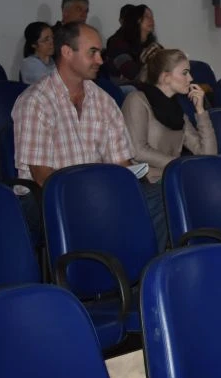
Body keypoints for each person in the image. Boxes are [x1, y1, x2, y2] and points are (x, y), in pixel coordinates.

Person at [11, 23, 143, 244]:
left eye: (100, 53)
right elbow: (42, 175)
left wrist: (123, 186)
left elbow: (121, 162)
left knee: (157, 199)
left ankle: (143, 262)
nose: (100, 60)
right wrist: (89, 195)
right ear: (66, 52)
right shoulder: (36, 101)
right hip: (48, 197)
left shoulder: (103, 100)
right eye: (92, 52)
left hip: (98, 191)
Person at [121, 49, 217, 247]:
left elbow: (208, 154)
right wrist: (179, 166)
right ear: (165, 77)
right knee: (175, 193)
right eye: (185, 73)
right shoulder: (137, 100)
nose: (190, 79)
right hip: (146, 182)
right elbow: (137, 150)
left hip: (171, 179)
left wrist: (200, 111)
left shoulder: (176, 111)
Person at [105, 4, 162, 88]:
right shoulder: (117, 42)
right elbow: (132, 73)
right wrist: (145, 62)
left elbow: (164, 65)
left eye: (152, 16)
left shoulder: (151, 43)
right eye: (147, 16)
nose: (151, 20)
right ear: (136, 20)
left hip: (145, 84)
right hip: (123, 88)